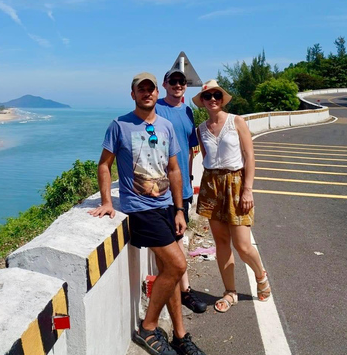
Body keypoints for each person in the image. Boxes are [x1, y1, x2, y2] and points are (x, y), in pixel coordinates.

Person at [90, 73, 205, 355]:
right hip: (141, 209)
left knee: (170, 271)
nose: (146, 94)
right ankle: (149, 327)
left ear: (156, 93)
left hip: (167, 206)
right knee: (178, 266)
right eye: (140, 90)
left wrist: (179, 209)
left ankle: (180, 336)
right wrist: (107, 201)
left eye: (150, 89)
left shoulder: (165, 126)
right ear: (133, 95)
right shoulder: (120, 125)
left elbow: (175, 170)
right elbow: (104, 165)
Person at [192, 79, 271, 313]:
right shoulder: (201, 129)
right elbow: (206, 158)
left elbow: (249, 156)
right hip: (211, 185)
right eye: (208, 96)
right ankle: (230, 292)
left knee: (243, 244)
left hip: (236, 184)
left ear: (222, 98)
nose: (213, 99)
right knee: (222, 243)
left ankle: (260, 275)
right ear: (203, 102)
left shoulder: (236, 121)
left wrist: (248, 189)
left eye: (217, 95)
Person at [154, 69, 207, 314]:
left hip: (182, 189)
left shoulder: (187, 111)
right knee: (166, 243)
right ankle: (173, 290)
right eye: (173, 81)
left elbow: (189, 149)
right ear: (164, 84)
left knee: (179, 238)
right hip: (160, 188)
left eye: (181, 82)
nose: (178, 85)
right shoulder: (156, 108)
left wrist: (187, 180)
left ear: (186, 86)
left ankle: (183, 291)